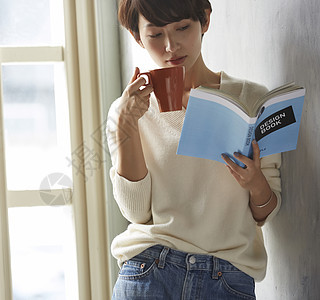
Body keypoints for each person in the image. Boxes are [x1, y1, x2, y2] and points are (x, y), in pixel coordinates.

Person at [106, 0, 282, 299]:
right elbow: (136, 212)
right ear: (137, 37)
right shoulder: (127, 112)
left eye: (182, 28)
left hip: (227, 280)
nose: (171, 45)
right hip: (150, 270)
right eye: (155, 35)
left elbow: (267, 211)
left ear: (205, 20)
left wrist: (254, 182)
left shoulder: (253, 99)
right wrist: (127, 125)